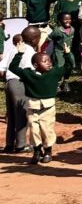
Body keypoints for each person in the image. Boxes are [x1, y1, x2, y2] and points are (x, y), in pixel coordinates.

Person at [9, 34, 64, 164]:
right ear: (35, 65)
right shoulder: (28, 73)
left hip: (48, 108)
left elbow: (66, 67)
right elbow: (13, 68)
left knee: (47, 130)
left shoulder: (53, 73)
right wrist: (19, 54)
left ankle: (48, 151)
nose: (49, 63)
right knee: (34, 130)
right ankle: (37, 151)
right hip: (33, 107)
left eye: (49, 61)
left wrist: (66, 54)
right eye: (45, 61)